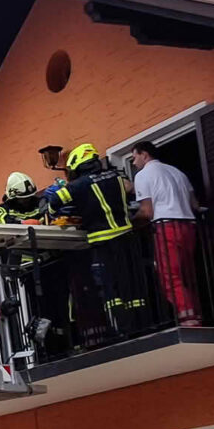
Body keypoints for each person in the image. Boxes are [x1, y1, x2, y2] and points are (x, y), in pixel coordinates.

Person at [42, 143, 146, 342]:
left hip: (102, 240)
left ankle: (120, 327)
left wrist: (57, 214)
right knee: (131, 283)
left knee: (110, 287)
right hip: (126, 236)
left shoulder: (77, 185)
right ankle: (140, 324)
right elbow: (130, 189)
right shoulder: (116, 176)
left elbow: (54, 202)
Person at [131, 140, 202, 326]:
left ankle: (188, 316)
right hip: (188, 226)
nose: (133, 162)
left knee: (170, 275)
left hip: (166, 227)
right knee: (187, 274)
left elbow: (147, 211)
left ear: (144, 155)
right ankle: (195, 313)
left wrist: (130, 221)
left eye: (134, 157)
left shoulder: (143, 175)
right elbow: (195, 205)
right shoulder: (177, 172)